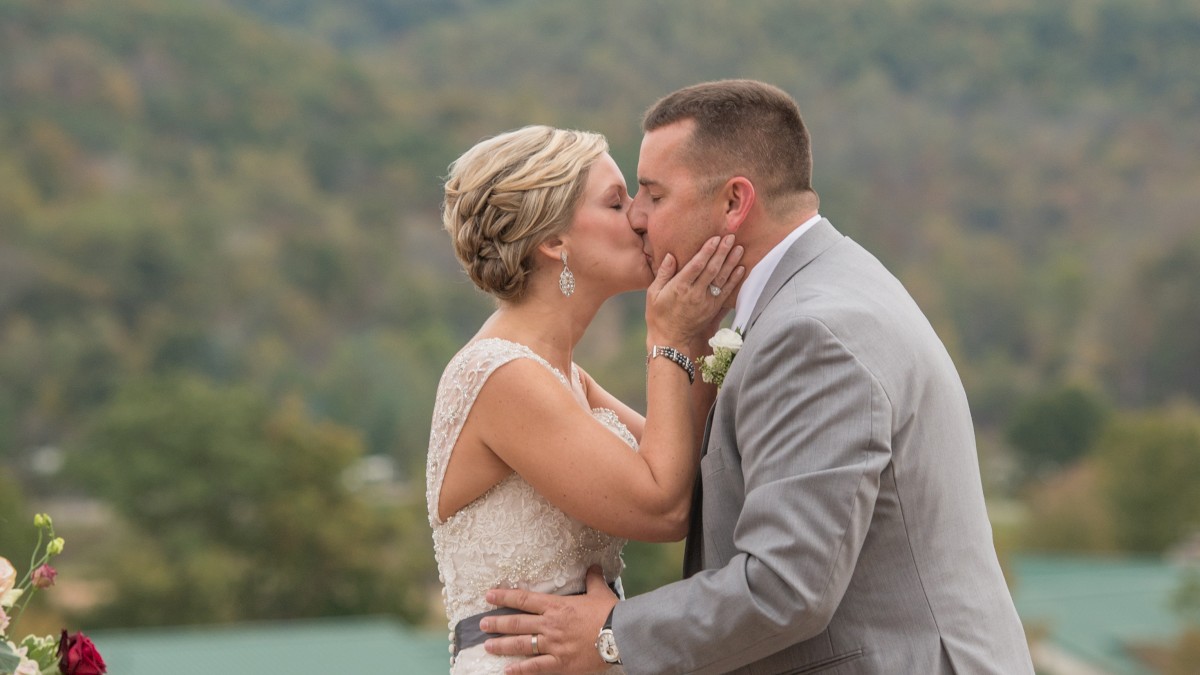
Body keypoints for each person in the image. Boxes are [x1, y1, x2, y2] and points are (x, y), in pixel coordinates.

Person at [480, 81, 1034, 673]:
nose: (637, 217)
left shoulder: (812, 333)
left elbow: (786, 585)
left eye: (653, 194)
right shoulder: (821, 292)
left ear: (733, 202)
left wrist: (612, 635)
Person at [427, 124, 745, 674]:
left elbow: (693, 481)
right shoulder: (499, 375)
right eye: (617, 202)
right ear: (554, 242)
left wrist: (700, 339)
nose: (640, 218)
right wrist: (667, 341)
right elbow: (663, 508)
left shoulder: (568, 378)